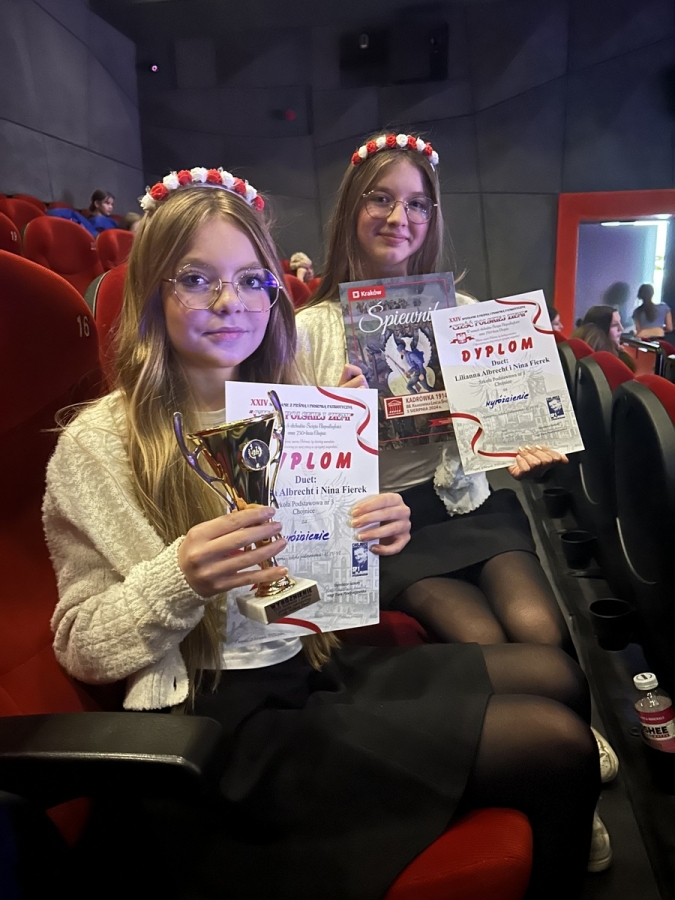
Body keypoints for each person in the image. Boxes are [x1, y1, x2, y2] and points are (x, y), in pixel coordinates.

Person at [44, 166, 601, 899]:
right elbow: (82, 646)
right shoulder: (98, 444)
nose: (229, 303)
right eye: (196, 279)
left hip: (308, 665)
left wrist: (373, 527)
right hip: (218, 723)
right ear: (151, 288)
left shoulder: (294, 405)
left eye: (251, 281)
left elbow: (316, 579)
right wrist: (180, 576)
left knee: (557, 674)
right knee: (555, 745)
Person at [573, 306, 635, 371]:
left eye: (620, 322)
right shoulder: (608, 363)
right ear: (599, 332)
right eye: (614, 325)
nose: (621, 328)